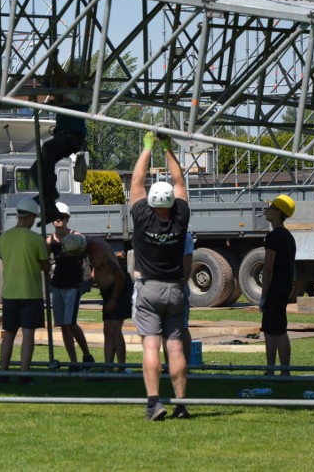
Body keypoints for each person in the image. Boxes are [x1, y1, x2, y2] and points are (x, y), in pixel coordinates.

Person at [130, 131, 190, 421]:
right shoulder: (180, 218)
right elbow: (180, 182)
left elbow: (136, 182)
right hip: (175, 290)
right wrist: (168, 149)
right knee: (175, 347)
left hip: (149, 289)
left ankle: (154, 402)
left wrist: (148, 147)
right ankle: (180, 404)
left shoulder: (142, 217)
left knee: (151, 345)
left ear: (151, 202)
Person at [28, 50, 87, 224]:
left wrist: (53, 60)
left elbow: (60, 79)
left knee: (47, 149)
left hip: (73, 139)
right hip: (64, 138)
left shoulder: (80, 93)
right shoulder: (64, 91)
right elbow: (48, 80)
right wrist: (50, 62)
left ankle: (49, 194)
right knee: (35, 168)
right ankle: (50, 205)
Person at [0, 196, 51, 384]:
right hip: (30, 293)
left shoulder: (4, 238)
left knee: (9, 335)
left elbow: (5, 258)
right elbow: (46, 267)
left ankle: (3, 373)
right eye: (34, 218)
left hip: (10, 293)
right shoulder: (36, 239)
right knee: (28, 335)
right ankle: (24, 373)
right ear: (29, 217)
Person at [61, 233, 133, 370]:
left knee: (115, 329)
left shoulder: (99, 252)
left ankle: (122, 368)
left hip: (118, 289)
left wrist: (113, 300)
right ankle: (108, 368)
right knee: (107, 330)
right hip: (108, 291)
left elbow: (119, 276)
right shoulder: (88, 245)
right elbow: (98, 269)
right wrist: (91, 281)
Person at [46, 203, 94, 371]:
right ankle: (73, 362)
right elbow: (44, 262)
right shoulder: (50, 240)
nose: (59, 220)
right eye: (56, 217)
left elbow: (91, 255)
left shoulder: (78, 237)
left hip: (73, 285)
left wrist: (90, 277)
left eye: (62, 217)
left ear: (67, 219)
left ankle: (87, 356)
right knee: (63, 324)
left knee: (71, 322)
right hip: (57, 285)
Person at [261, 195, 297, 376]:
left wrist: (264, 295)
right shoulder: (289, 237)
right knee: (268, 330)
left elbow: (268, 268)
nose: (267, 210)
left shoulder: (273, 237)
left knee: (279, 331)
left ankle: (284, 371)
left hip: (275, 290)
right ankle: (270, 370)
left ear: (278, 213)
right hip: (283, 288)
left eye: (272, 207)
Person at [162, 232, 194, 365]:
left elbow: (187, 266)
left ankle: (185, 366)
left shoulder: (184, 237)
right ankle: (169, 365)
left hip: (177, 287)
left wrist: (179, 287)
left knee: (182, 327)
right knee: (164, 328)